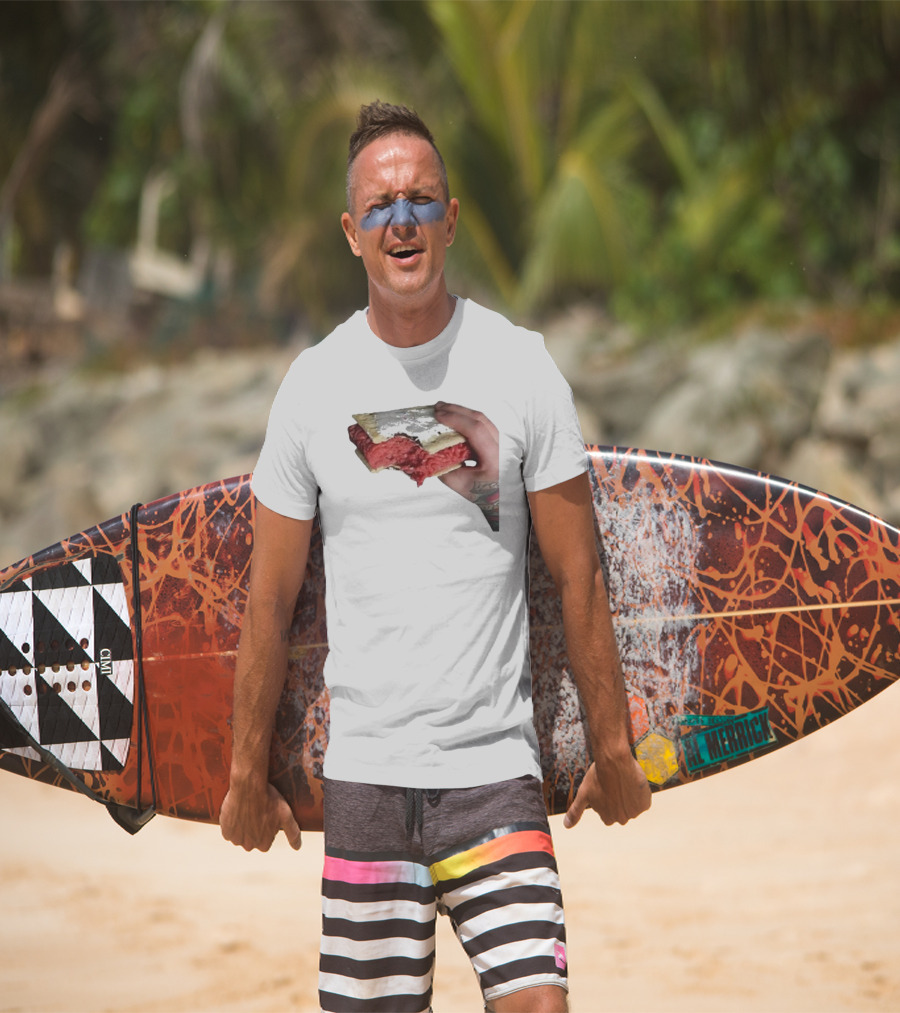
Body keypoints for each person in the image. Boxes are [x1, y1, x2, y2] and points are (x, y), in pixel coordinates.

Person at [220, 100, 651, 1013]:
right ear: (351, 232)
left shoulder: (521, 367)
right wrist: (242, 772)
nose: (402, 220)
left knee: (540, 1003)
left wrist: (612, 746)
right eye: (380, 206)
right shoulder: (313, 387)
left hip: (495, 773)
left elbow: (579, 574)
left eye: (421, 200)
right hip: (369, 779)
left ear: (451, 219)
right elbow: (270, 599)